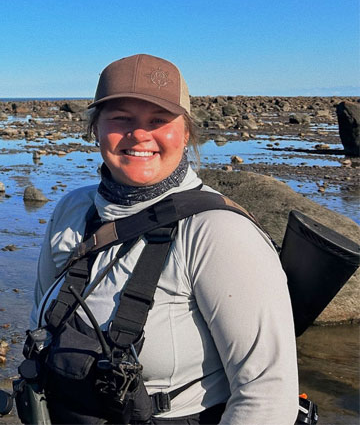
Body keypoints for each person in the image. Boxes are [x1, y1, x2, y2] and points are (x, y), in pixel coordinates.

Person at [27, 54, 298, 425]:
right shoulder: (73, 209)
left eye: (158, 120)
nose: (139, 134)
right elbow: (40, 319)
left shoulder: (218, 233)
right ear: (96, 128)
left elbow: (268, 395)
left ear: (186, 133)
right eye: (121, 118)